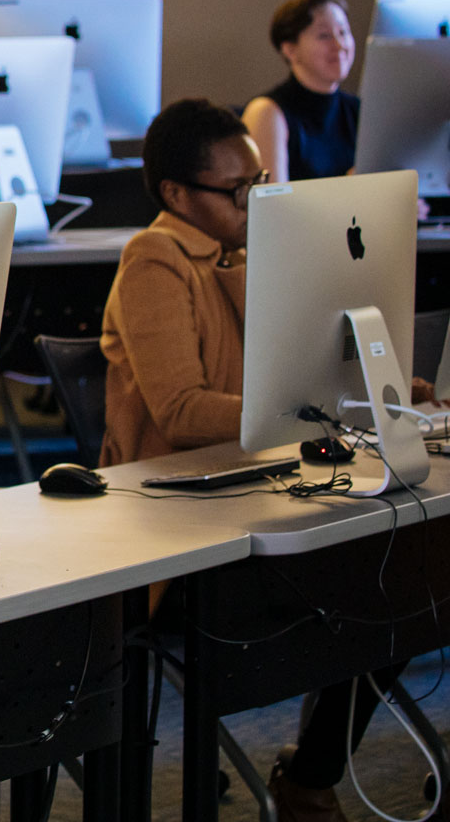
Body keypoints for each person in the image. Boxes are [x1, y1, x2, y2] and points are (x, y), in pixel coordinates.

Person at [99, 99, 426, 822]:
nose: (257, 200)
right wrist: (326, 408)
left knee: (407, 573)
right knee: (383, 580)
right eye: (238, 188)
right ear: (177, 195)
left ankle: (310, 772)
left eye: (262, 179)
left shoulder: (245, 252)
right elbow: (182, 412)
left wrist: (374, 387)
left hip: (260, 498)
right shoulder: (153, 259)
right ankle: (309, 776)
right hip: (180, 536)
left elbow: (288, 382)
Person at [241, 0, 358, 181]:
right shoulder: (268, 112)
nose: (339, 45)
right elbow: (273, 205)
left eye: (343, 32)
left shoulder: (359, 110)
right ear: (290, 49)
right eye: (324, 36)